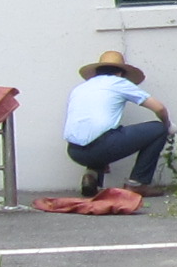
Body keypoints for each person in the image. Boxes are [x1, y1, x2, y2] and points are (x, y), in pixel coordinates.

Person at [62, 50, 168, 197]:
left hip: (74, 151)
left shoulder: (80, 88)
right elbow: (159, 108)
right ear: (120, 73)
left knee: (104, 133)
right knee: (159, 129)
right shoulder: (119, 83)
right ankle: (137, 184)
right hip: (101, 146)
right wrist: (167, 125)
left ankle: (92, 173)